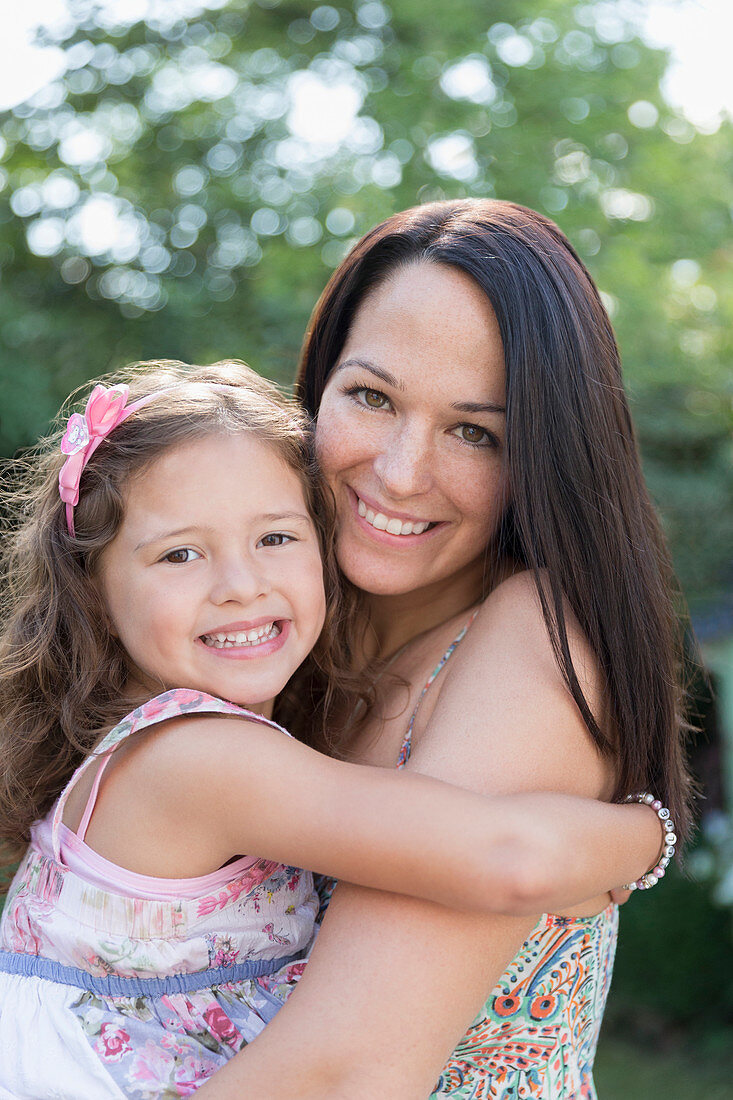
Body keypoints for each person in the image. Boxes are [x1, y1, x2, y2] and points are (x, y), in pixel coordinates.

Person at [0, 359, 669, 1099]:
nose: (241, 584)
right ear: (92, 594)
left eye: (276, 539)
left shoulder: (169, 745)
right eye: (180, 553)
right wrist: (644, 834)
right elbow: (507, 860)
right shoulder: (198, 758)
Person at [195, 200, 693, 1100]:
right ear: (317, 385)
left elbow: (345, 1071)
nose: (398, 472)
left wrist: (648, 838)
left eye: (475, 432)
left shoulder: (531, 637)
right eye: (371, 397)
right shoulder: (265, 629)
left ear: (544, 458)